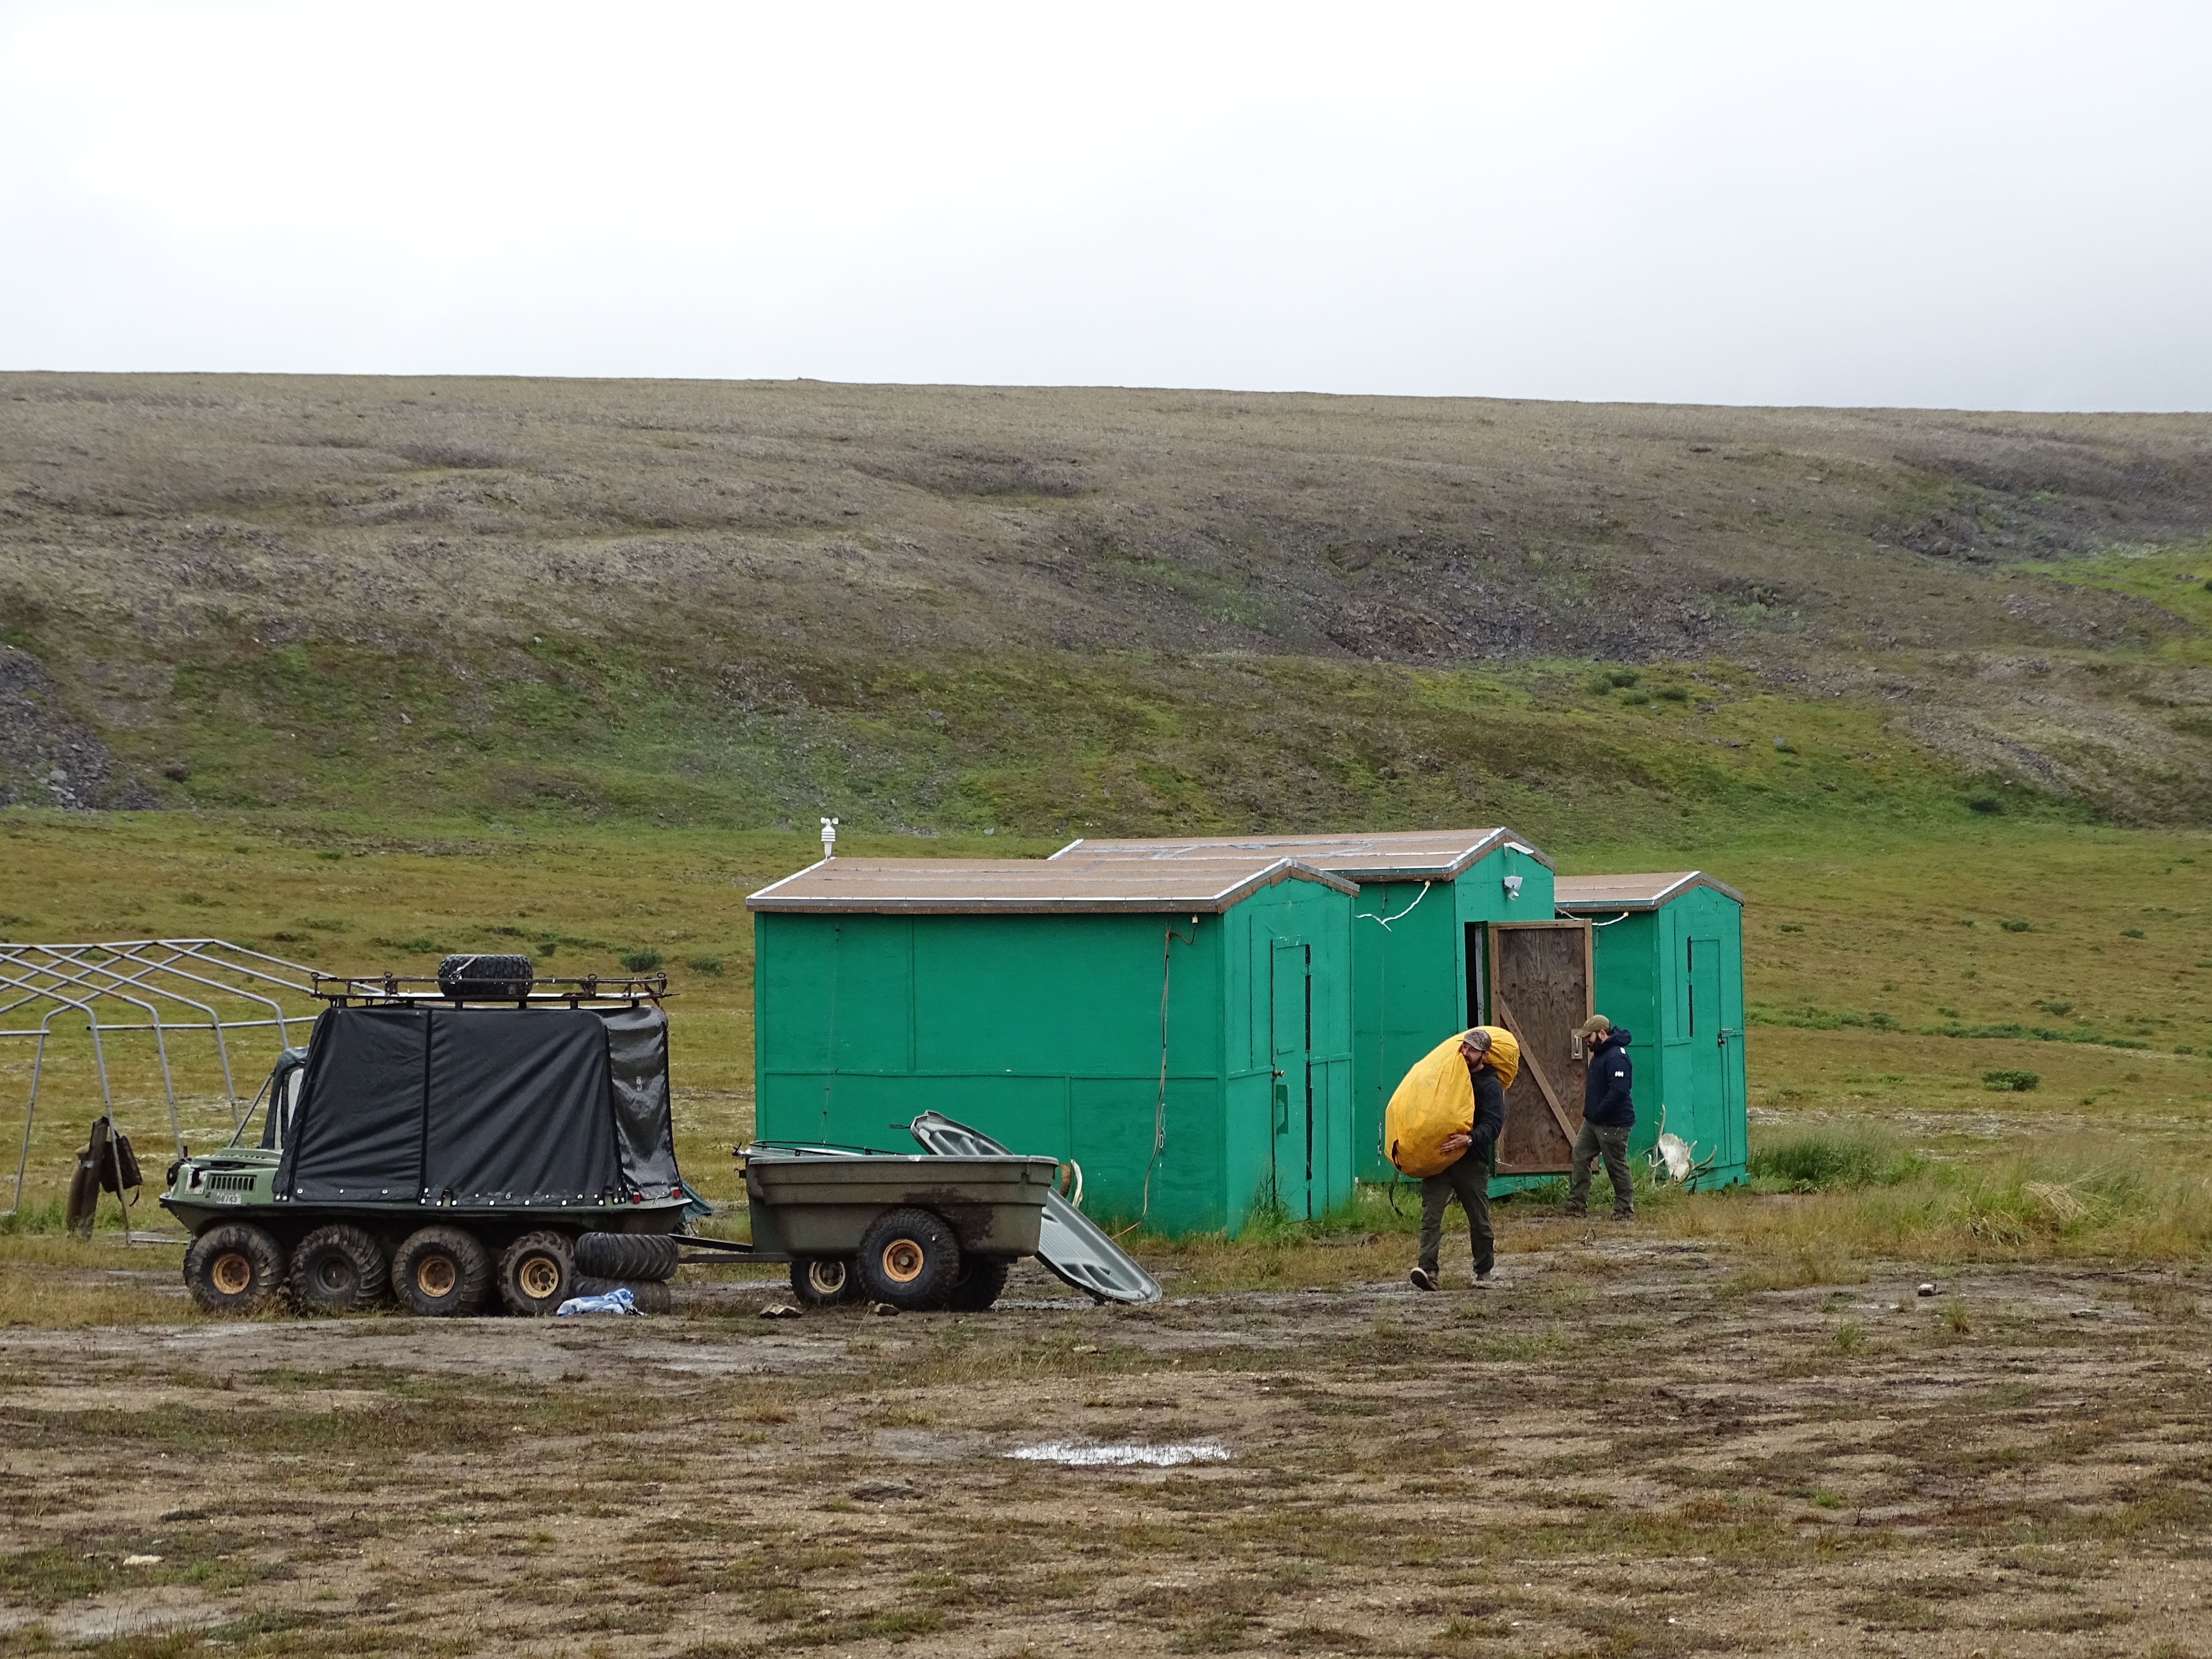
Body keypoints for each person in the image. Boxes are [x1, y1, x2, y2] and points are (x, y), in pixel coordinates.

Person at [1409, 1028, 1508, 1291]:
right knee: (1431, 1217)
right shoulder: (1448, 1077)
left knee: (1479, 1218)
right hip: (1439, 1157)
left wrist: (1469, 1140)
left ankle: (1484, 1271)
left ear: (1484, 1055)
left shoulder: (1490, 1085)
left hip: (1470, 1161)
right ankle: (1428, 1271)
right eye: (1464, 1047)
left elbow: (1494, 1125)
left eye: (1473, 1050)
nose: (1466, 1053)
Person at [1567, 1015, 1635, 1219]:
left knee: (1616, 1165)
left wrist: (1600, 1112)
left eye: (1590, 1037)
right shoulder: (1601, 1053)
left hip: (1614, 1124)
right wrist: (1594, 1115)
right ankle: (1576, 1205)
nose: (1587, 1041)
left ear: (1602, 1034)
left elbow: (1619, 1091)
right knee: (1580, 1154)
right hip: (1594, 1122)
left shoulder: (1617, 1057)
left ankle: (1625, 1209)